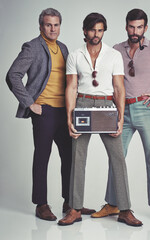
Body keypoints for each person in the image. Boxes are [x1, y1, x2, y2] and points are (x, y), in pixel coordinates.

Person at [93, 8, 150, 223]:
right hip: (121, 111)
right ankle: (114, 204)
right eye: (131, 27)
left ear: (145, 28)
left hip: (146, 108)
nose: (135, 31)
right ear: (126, 27)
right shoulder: (115, 50)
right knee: (116, 157)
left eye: (139, 27)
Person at [6, 8, 95, 221]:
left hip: (64, 111)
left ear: (60, 26)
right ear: (41, 26)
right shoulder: (33, 47)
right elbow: (13, 75)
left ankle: (69, 202)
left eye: (56, 25)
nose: (52, 29)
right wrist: (30, 103)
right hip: (44, 111)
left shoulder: (63, 48)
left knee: (69, 157)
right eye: (48, 24)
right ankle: (41, 204)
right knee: (42, 157)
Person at [58, 12, 142, 227]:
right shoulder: (75, 55)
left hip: (107, 106)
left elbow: (119, 88)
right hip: (83, 104)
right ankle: (75, 209)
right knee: (77, 158)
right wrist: (69, 118)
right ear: (85, 31)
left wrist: (121, 118)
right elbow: (71, 87)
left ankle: (124, 209)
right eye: (93, 30)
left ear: (104, 31)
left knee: (118, 159)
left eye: (100, 30)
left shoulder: (114, 55)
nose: (96, 34)